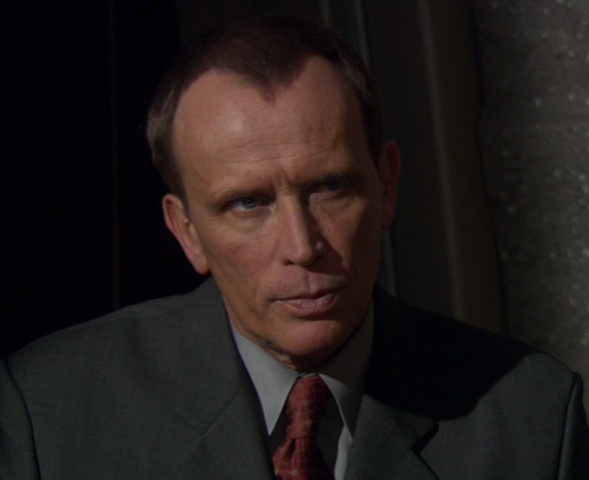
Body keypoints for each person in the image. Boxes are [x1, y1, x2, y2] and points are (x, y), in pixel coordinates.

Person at [1, 16, 588, 480]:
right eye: (247, 203)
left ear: (387, 185)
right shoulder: (51, 410)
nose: (302, 247)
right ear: (186, 231)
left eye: (330, 188)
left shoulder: (529, 417)